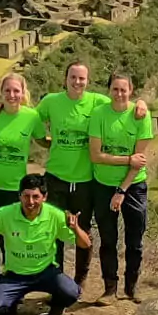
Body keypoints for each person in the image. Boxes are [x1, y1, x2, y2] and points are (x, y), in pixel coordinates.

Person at [0, 173, 90, 315]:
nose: (30, 201)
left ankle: (55, 308)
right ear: (19, 196)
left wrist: (75, 228)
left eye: (36, 196)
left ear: (44, 197)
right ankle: (11, 305)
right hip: (15, 275)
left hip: (46, 272)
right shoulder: (5, 214)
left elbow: (85, 244)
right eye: (26, 196)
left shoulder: (55, 215)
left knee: (71, 292)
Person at [34, 62, 109, 280]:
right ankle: (55, 278)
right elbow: (30, 118)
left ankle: (80, 280)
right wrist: (44, 141)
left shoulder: (97, 102)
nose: (77, 82)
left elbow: (123, 105)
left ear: (88, 81)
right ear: (65, 79)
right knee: (53, 230)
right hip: (55, 178)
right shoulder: (52, 102)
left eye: (82, 78)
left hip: (85, 181)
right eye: (73, 77)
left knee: (82, 231)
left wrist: (140, 104)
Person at [87, 74, 156, 301]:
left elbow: (140, 159)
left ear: (131, 90)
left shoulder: (141, 116)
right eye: (115, 89)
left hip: (133, 186)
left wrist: (122, 190)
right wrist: (127, 160)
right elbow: (96, 156)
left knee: (134, 240)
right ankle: (109, 288)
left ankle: (131, 287)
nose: (119, 94)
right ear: (109, 91)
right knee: (107, 239)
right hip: (103, 184)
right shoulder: (99, 114)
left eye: (123, 90)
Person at [0, 73, 45, 284]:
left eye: (16, 91)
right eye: (8, 90)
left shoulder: (32, 117)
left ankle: (11, 283)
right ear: (1, 92)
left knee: (12, 237)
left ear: (23, 93)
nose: (12, 95)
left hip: (15, 187)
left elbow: (43, 140)